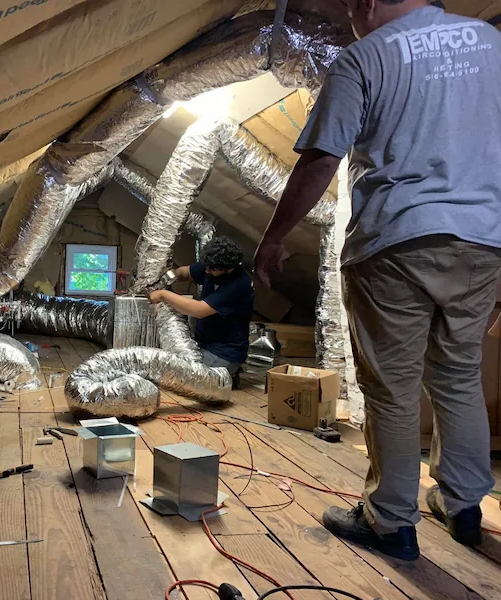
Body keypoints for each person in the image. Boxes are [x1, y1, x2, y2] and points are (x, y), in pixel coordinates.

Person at [254, 0, 501, 561]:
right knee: (459, 374)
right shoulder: (490, 43)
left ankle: (390, 521)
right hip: (482, 240)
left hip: (397, 240)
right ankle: (463, 506)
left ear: (367, 1)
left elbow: (321, 158)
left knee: (392, 388)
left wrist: (273, 237)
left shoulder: (365, 58)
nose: (351, 17)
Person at [148, 236, 254, 387]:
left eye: (212, 269)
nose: (207, 271)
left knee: (176, 377)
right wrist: (173, 275)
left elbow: (199, 310)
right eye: (206, 266)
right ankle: (224, 376)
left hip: (223, 352)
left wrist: (163, 294)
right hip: (204, 344)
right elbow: (186, 272)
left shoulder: (238, 285)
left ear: (229, 269)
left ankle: (225, 375)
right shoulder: (211, 265)